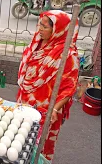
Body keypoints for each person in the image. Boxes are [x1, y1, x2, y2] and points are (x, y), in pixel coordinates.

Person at [16, 10, 79, 161]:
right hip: (25, 100)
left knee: (37, 145)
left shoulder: (67, 55)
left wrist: (55, 109)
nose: (40, 29)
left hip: (47, 109)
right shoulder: (37, 42)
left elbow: (68, 88)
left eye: (45, 27)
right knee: (18, 139)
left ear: (58, 30)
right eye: (40, 25)